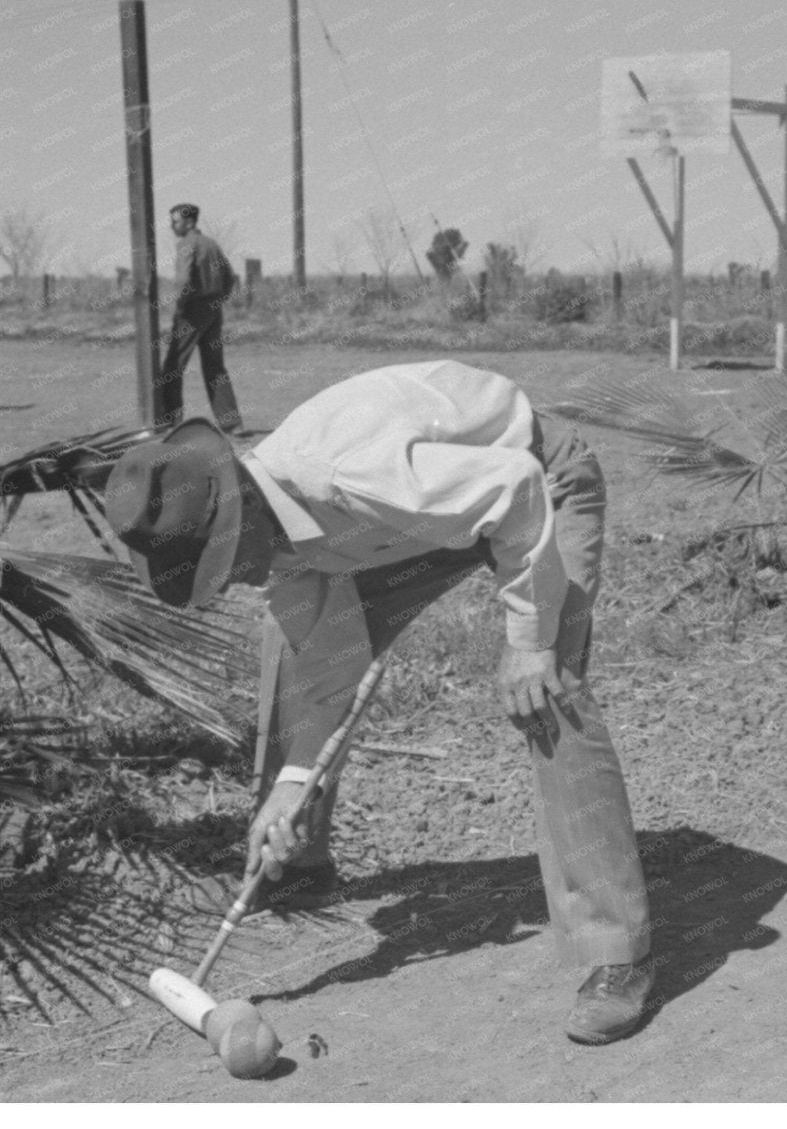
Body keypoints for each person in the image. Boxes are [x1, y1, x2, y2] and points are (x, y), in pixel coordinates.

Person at [105, 360, 656, 1045]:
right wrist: (292, 783)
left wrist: (529, 639)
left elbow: (513, 491)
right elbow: (332, 666)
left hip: (532, 479)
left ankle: (615, 951)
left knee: (548, 687)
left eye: (227, 560)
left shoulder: (354, 476)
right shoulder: (280, 540)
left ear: (241, 505)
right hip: (418, 521)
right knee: (290, 643)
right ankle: (296, 856)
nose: (236, 579)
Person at [155, 202, 242, 433]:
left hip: (192, 310)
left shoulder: (187, 244)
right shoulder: (211, 244)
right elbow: (230, 277)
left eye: (176, 221)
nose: (172, 225)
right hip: (213, 309)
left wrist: (181, 305)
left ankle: (170, 422)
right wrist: (219, 299)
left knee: (173, 365)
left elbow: (183, 280)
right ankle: (232, 424)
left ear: (190, 222)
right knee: (215, 366)